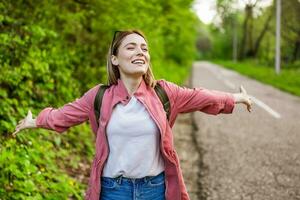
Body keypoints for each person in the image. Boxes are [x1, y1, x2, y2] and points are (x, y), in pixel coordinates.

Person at [13, 30, 252, 200]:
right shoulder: (98, 97)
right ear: (115, 59)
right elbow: (65, 114)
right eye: (131, 47)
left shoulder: (164, 92)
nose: (141, 52)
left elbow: (201, 96)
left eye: (144, 48)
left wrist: (234, 98)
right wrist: (36, 121)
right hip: (112, 190)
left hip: (155, 189)